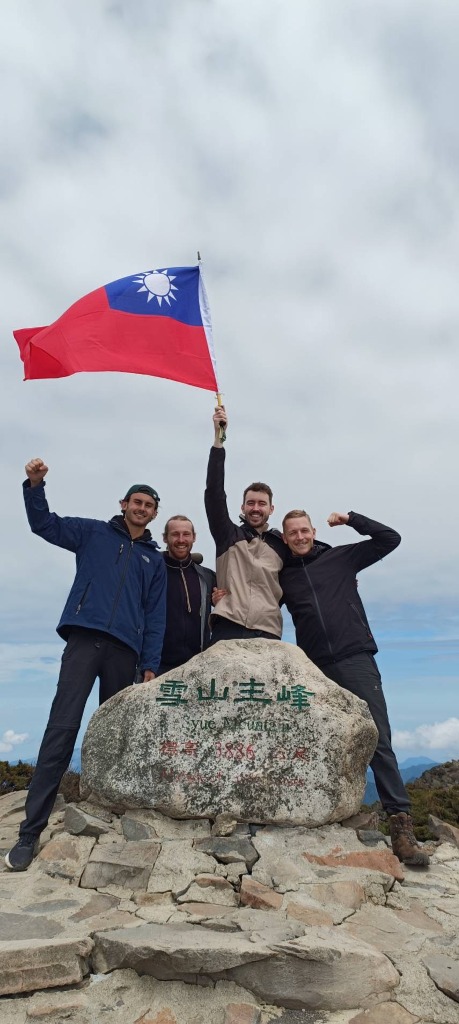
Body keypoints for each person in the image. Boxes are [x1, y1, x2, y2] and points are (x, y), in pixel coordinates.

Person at [5, 458, 167, 872]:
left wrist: (150, 663)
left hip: (125, 651)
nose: (141, 508)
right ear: (124, 504)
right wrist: (35, 485)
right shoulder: (93, 532)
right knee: (61, 730)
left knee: (115, 737)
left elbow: (155, 616)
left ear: (154, 514)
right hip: (84, 639)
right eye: (136, 502)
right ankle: (29, 833)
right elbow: (45, 525)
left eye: (149, 505)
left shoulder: (154, 560)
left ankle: (111, 817)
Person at [280, 508, 430, 867]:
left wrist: (351, 519)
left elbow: (389, 539)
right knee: (323, 741)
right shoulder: (283, 575)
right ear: (284, 538)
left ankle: (400, 827)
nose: (300, 537)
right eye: (292, 533)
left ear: (313, 531)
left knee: (378, 738)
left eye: (304, 530)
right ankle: (325, 815)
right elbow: (256, 598)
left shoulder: (341, 558)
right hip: (314, 667)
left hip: (355, 658)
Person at [205, 405, 285, 643]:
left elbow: (306, 570)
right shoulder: (227, 535)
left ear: (271, 509)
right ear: (242, 507)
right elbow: (214, 494)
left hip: (268, 631)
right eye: (250, 503)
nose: (256, 508)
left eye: (262, 504)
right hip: (228, 625)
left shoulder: (282, 545)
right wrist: (218, 440)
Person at [157, 515, 216, 675]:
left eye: (186, 534)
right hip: (157, 666)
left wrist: (219, 601)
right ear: (165, 538)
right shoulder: (153, 571)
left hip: (196, 666)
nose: (181, 540)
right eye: (175, 534)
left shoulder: (206, 576)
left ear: (194, 537)